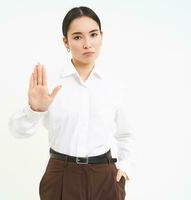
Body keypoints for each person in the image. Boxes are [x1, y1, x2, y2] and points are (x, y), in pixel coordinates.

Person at [9, 6, 135, 200]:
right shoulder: (49, 83)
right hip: (61, 175)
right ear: (66, 42)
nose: (87, 44)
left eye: (93, 35)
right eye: (77, 37)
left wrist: (124, 167)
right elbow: (17, 131)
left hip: (104, 177)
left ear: (101, 36)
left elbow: (126, 134)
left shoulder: (114, 85)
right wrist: (36, 109)